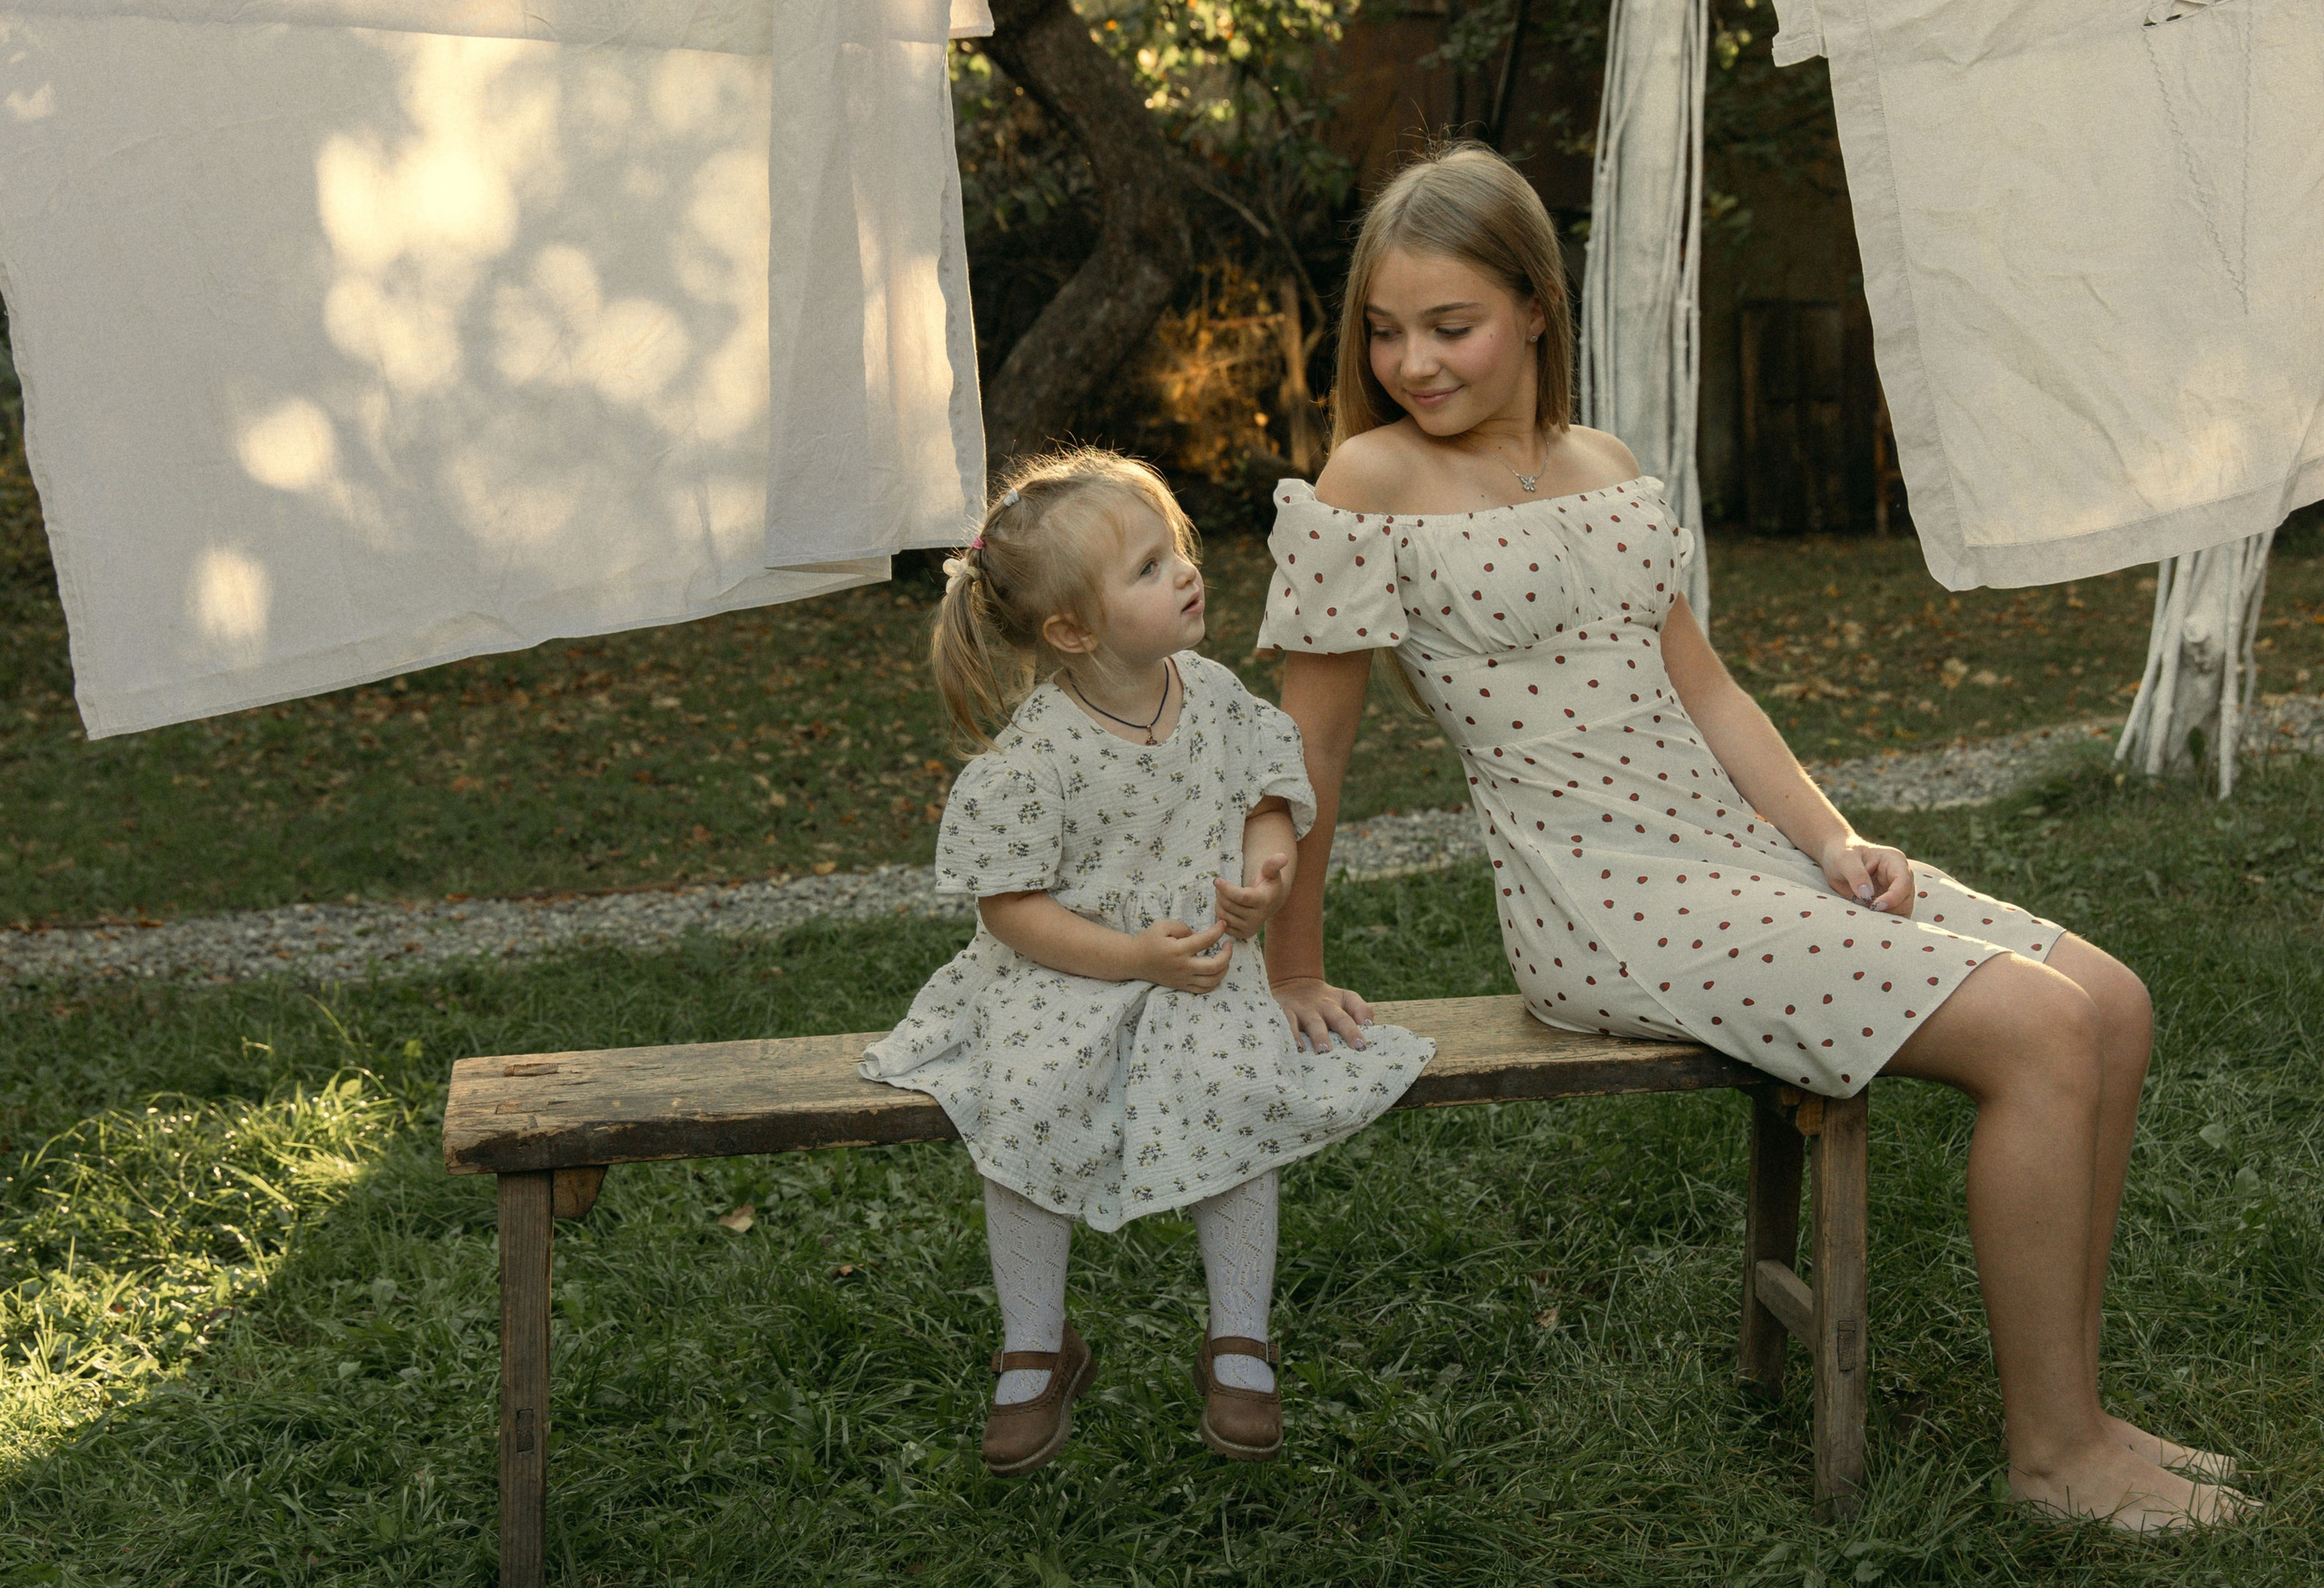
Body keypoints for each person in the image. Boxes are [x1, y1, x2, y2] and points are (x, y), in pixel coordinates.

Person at [1257, 143, 2249, 1531]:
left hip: (1734, 858)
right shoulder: (1368, 481)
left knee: (2116, 1005)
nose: (1412, 360)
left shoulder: (1602, 464)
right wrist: (1289, 971)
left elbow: (1705, 687)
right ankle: (2053, 1462)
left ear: (1537, 306)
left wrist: (1834, 840)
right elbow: (1310, 751)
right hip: (1603, 902)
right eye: (1386, 328)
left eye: (1449, 324)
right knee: (2039, 1032)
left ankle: (2083, 1411)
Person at [863, 447, 1434, 1476]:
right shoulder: (1037, 754)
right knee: (1025, 1094)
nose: (1182, 571)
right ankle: (1036, 1343)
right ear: (1073, 631)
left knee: (1236, 1080)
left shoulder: (1211, 695)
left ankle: (1239, 1337)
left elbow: (1269, 794)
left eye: (1171, 549)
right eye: (1144, 568)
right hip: (1065, 970)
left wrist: (1264, 876)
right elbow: (1012, 913)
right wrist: (1127, 954)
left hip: (1201, 960)